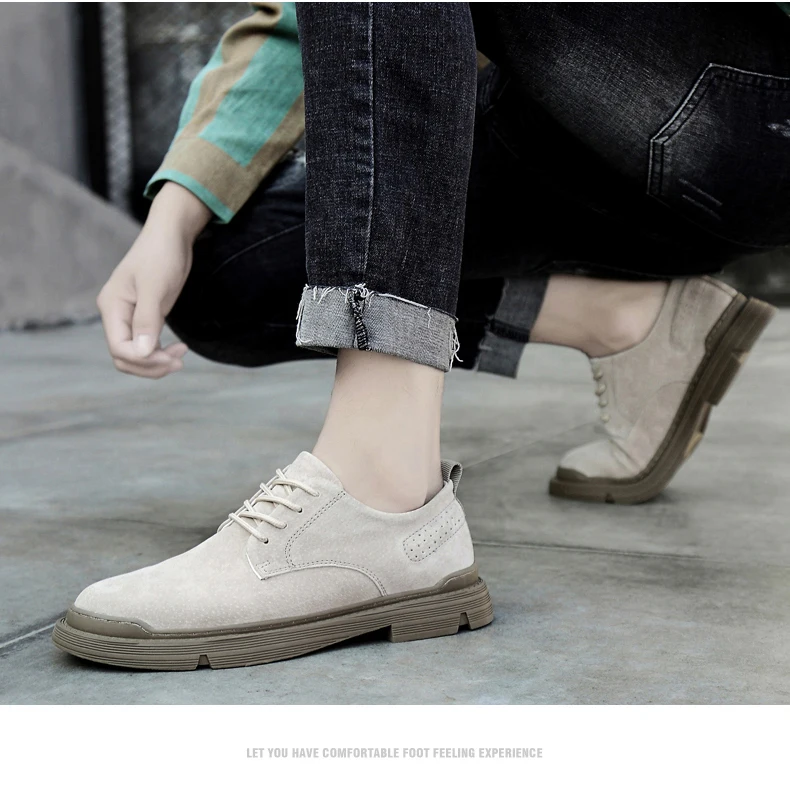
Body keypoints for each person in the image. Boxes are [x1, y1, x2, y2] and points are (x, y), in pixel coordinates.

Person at [53, 3, 788, 669]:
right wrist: (173, 214)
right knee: (219, 268)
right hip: (559, 133)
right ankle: (626, 321)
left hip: (744, 111)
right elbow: (302, 20)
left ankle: (381, 484)